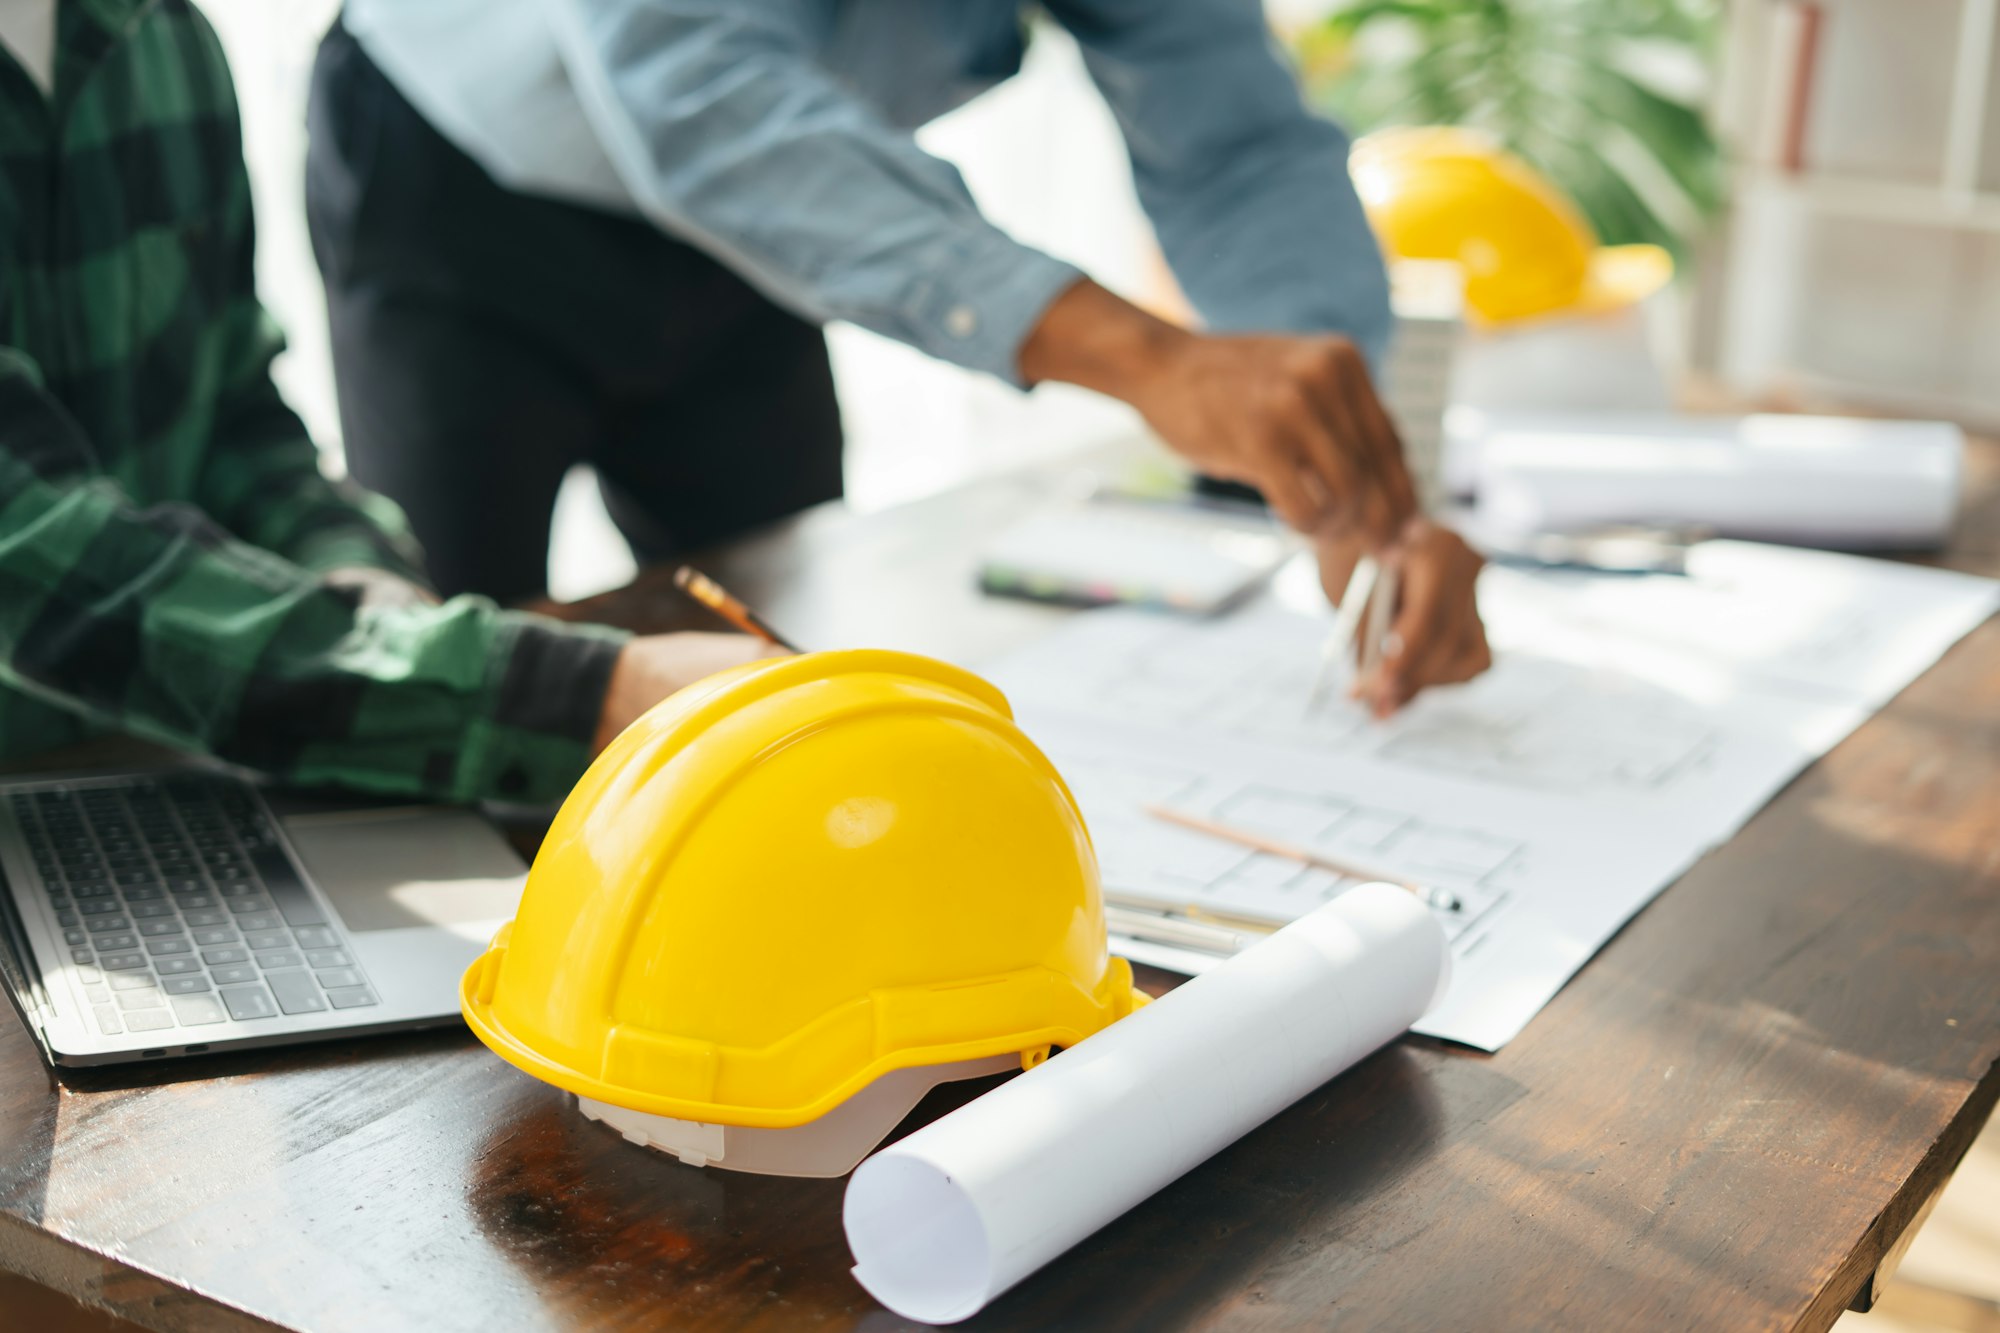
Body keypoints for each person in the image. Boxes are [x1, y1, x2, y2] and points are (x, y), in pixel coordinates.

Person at [309, 0, 1490, 716]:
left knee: (774, 641)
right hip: (462, 190)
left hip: (779, 222)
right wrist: (1146, 359)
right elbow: (700, 97)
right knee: (458, 672)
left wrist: (1345, 470)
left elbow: (1235, 144)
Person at [0, 0, 769, 804]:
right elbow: (33, 557)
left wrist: (362, 575)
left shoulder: (162, 40)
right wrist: (587, 694)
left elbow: (233, 411)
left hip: (156, 769)